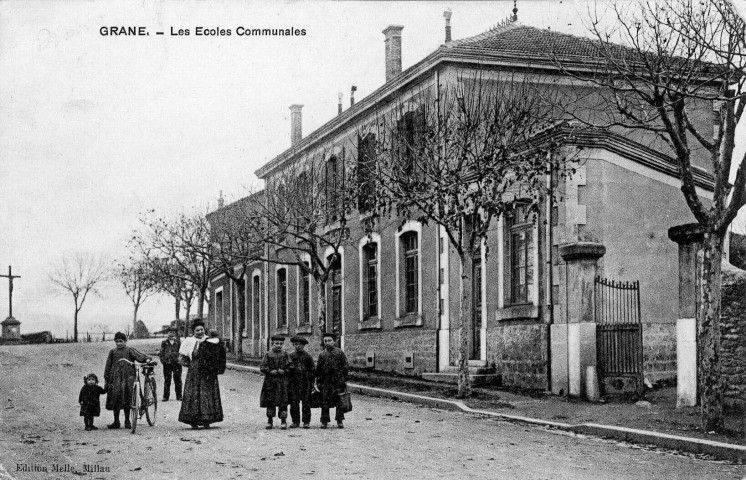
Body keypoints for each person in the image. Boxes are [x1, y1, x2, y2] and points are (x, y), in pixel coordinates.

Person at [178, 322, 226, 429]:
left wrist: (213, 367)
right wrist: (192, 365)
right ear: (193, 331)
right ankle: (193, 421)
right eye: (197, 330)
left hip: (208, 371)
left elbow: (218, 355)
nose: (200, 332)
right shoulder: (188, 341)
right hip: (194, 372)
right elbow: (181, 359)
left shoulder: (210, 340)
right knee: (194, 394)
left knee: (207, 394)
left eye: (202, 329)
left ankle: (207, 419)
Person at [103, 332, 151, 429]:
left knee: (128, 397)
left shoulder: (129, 350)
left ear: (125, 341)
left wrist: (147, 359)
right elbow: (108, 366)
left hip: (128, 377)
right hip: (115, 378)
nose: (119, 343)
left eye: (121, 341)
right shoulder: (112, 352)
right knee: (115, 398)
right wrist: (107, 378)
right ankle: (116, 421)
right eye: (117, 342)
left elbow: (139, 356)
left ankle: (127, 420)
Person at [315, 332, 349, 429]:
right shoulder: (322, 354)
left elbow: (345, 366)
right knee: (325, 401)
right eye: (325, 341)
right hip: (326, 381)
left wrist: (344, 379)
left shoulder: (339, 353)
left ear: (334, 342)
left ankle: (339, 420)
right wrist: (319, 381)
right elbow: (319, 369)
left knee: (339, 400)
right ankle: (324, 421)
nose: (327, 342)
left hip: (338, 381)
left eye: (329, 340)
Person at [259, 335, 291, 430]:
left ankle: (283, 421)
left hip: (282, 382)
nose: (279, 345)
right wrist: (269, 371)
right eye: (277, 343)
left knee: (283, 401)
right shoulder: (268, 354)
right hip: (270, 382)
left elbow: (291, 366)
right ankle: (270, 420)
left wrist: (285, 370)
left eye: (281, 344)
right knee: (270, 401)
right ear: (272, 344)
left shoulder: (285, 354)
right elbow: (262, 367)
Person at [288, 336, 315, 429]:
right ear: (293, 345)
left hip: (305, 382)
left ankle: (306, 421)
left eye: (300, 344)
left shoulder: (307, 356)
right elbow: (288, 368)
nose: (298, 346)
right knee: (294, 402)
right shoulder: (291, 356)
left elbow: (312, 369)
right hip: (294, 383)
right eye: (296, 344)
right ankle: (295, 421)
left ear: (304, 345)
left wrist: (311, 382)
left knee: (306, 402)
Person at [159, 328, 182, 402]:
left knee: (178, 379)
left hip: (177, 363)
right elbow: (161, 352)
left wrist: (180, 360)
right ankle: (166, 396)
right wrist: (163, 361)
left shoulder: (178, 342)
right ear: (167, 333)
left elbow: (181, 351)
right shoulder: (164, 342)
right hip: (167, 363)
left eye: (172, 332)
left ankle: (179, 396)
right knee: (167, 380)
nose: (171, 334)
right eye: (169, 332)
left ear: (175, 333)